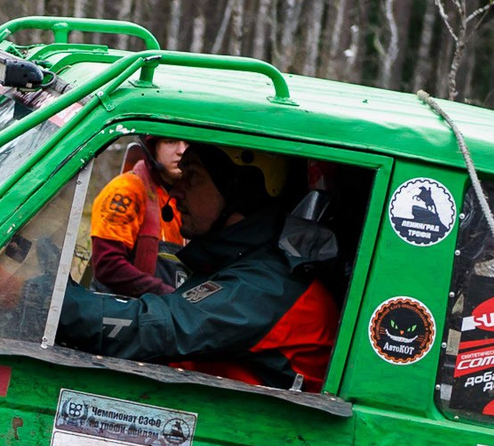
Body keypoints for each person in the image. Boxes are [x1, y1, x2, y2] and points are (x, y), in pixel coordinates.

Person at [58, 144, 341, 390]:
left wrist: (49, 299)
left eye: (192, 176)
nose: (176, 190)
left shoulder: (268, 285)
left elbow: (152, 329)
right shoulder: (244, 263)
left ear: (238, 186)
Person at [86, 137, 188, 295]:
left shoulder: (184, 200)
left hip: (163, 311)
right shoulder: (126, 190)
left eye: (188, 143)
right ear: (153, 147)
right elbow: (108, 266)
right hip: (123, 313)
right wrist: (170, 297)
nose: (181, 151)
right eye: (170, 141)